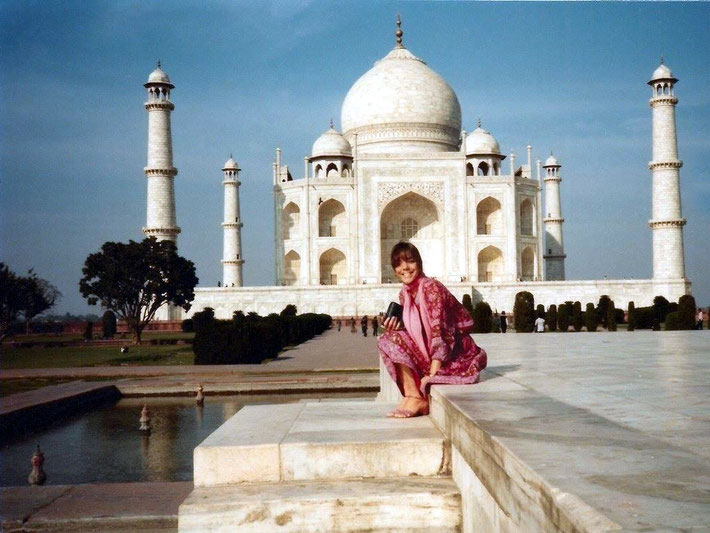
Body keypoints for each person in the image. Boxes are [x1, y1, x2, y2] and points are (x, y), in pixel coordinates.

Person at [378, 242, 487, 418]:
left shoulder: (431, 287)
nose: (404, 268)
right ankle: (412, 394)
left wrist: (432, 373)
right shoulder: (405, 293)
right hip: (433, 353)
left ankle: (417, 398)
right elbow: (418, 330)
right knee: (389, 338)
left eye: (410, 261)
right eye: (398, 264)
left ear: (419, 263)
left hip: (456, 354)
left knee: (393, 339)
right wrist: (399, 328)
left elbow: (440, 331)